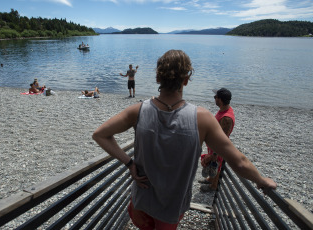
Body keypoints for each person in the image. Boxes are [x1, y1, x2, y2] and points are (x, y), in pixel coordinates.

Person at [92, 50, 276, 229]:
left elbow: (100, 135)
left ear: (158, 78)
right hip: (172, 207)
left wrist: (129, 163)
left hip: (141, 199)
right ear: (186, 80)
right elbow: (239, 162)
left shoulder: (137, 111)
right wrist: (260, 180)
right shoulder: (202, 118)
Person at [200, 88, 235, 192]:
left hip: (218, 148)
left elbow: (223, 138)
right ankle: (210, 179)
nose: (214, 98)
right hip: (213, 145)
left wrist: (215, 153)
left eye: (215, 97)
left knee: (217, 164)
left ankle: (213, 186)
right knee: (213, 164)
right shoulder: (223, 110)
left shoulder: (226, 118)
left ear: (220, 100)